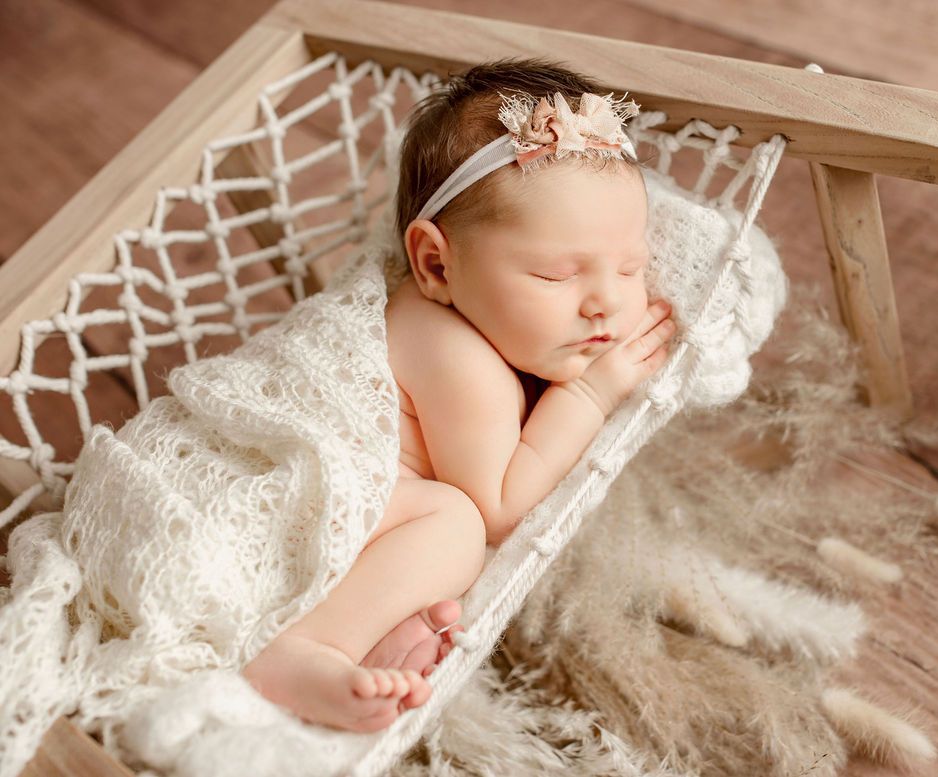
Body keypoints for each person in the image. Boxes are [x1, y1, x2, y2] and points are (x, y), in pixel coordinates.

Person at [241, 57, 675, 733]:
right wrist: (591, 392)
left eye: (631, 266)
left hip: (324, 508)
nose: (608, 303)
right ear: (437, 264)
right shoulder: (454, 351)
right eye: (555, 275)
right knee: (455, 524)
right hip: (265, 498)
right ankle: (297, 651)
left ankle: (360, 629)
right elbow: (500, 505)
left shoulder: (468, 317)